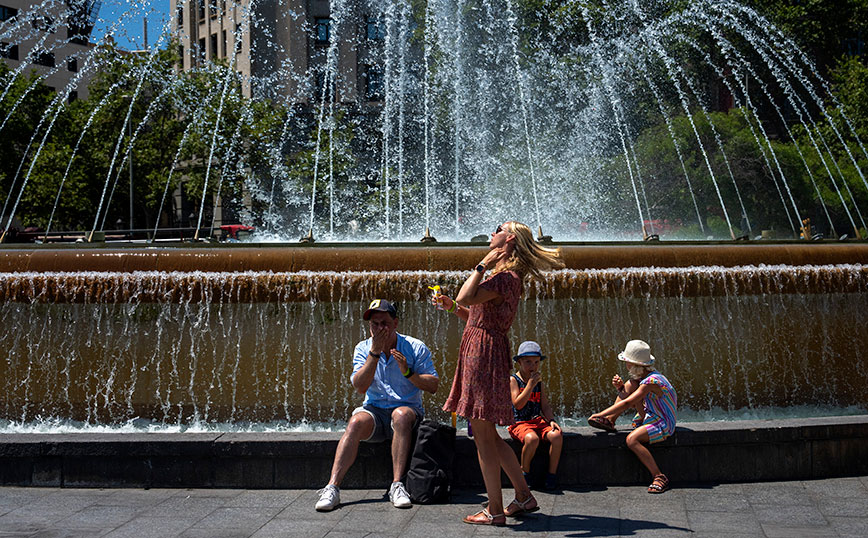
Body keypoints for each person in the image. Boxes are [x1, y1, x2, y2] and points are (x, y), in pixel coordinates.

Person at [433, 221, 564, 525]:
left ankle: (494, 511)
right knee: (489, 435)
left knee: (483, 439)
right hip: (483, 346)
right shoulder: (506, 278)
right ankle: (523, 495)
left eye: (498, 228)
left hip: (483, 355)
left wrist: (482, 264)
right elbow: (474, 313)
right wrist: (452, 307)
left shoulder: (504, 277)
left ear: (511, 239)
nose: (492, 233)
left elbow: (468, 296)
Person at [315, 299, 439, 511]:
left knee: (400, 415)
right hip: (375, 413)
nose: (379, 328)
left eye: (384, 323)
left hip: (407, 414)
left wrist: (408, 372)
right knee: (355, 422)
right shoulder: (363, 348)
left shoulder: (415, 347)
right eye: (374, 324)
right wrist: (374, 353)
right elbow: (360, 387)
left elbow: (433, 385)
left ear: (395, 323)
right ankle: (332, 487)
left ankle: (397, 485)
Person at [587, 339, 677, 494]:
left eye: (627, 362)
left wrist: (600, 413)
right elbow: (632, 398)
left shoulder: (651, 382)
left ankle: (659, 476)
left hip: (662, 421)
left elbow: (629, 402)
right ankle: (610, 421)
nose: (625, 365)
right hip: (650, 413)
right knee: (629, 384)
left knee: (631, 440)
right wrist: (622, 388)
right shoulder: (643, 379)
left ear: (634, 364)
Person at [508, 341, 562, 491]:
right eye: (528, 362)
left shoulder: (538, 382)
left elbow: (544, 405)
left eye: (536, 362)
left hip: (537, 420)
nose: (532, 366)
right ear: (519, 362)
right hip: (518, 422)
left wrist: (551, 420)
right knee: (532, 439)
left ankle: (551, 475)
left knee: (557, 436)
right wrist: (530, 385)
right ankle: (524, 473)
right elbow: (518, 404)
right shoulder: (514, 380)